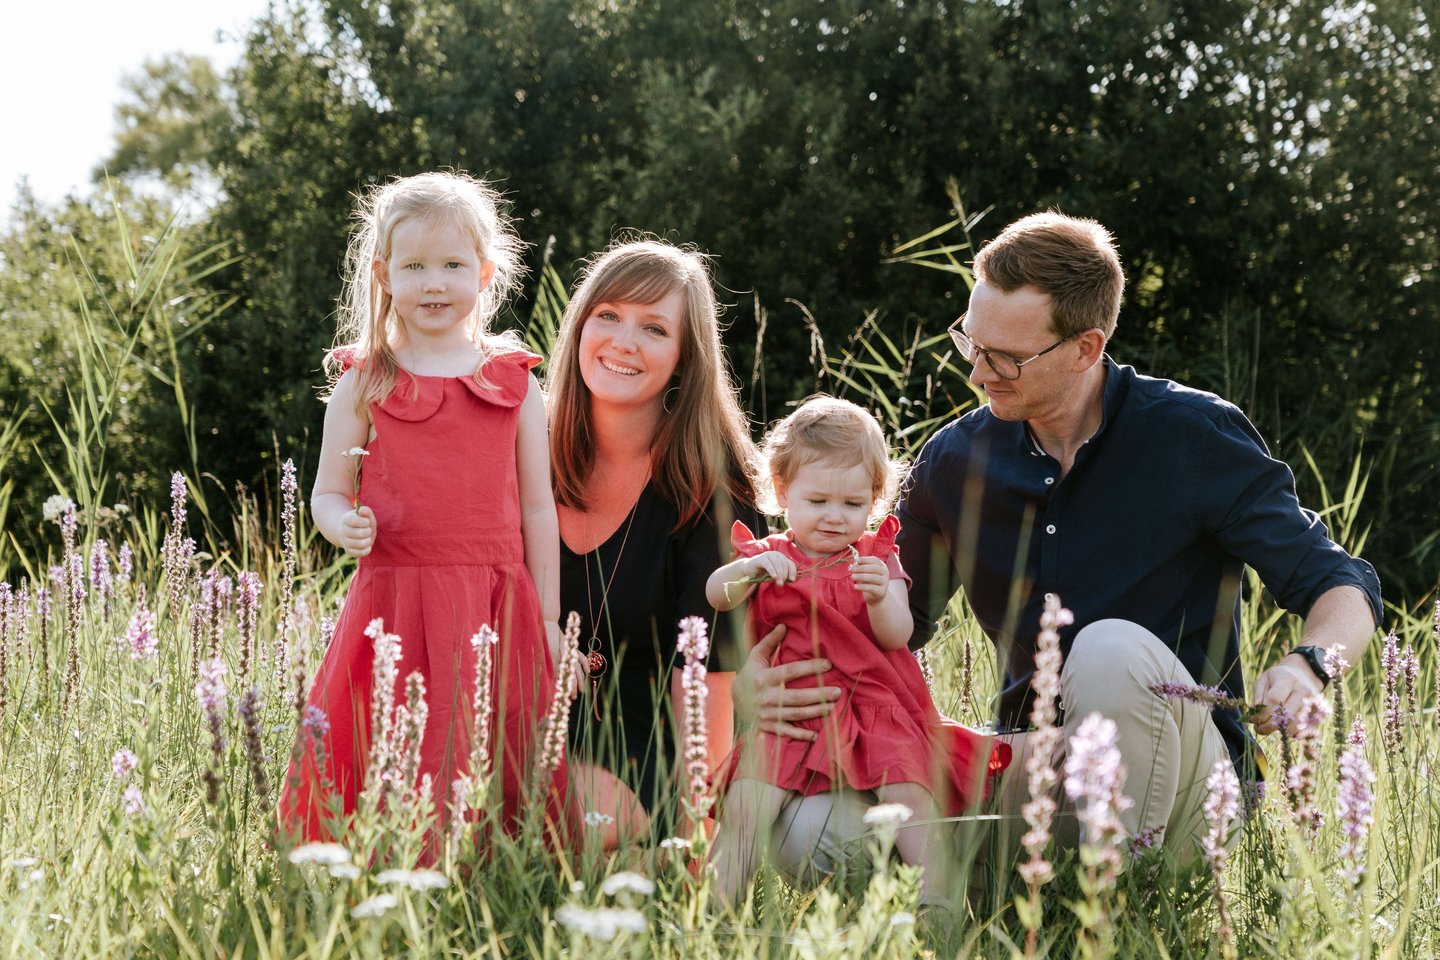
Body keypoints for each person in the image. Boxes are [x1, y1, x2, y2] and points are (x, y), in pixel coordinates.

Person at [739, 210, 1381, 875]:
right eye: (970, 342)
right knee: (810, 832)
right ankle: (1011, 902)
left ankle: (1124, 906)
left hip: (1187, 775)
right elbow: (878, 624)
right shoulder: (955, 461)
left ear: (1085, 347)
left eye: (1007, 357)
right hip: (1027, 766)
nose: (978, 371)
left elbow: (1341, 583)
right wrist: (762, 679)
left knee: (1107, 648)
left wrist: (1311, 664)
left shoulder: (1192, 437)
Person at [279, 171, 571, 845]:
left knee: (488, 745)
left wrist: (550, 619)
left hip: (498, 603)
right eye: (414, 266)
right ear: (383, 274)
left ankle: (488, 876)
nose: (434, 283)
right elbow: (325, 490)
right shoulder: (366, 380)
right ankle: (388, 866)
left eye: (451, 265)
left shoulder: (513, 383)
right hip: (395, 599)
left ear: (485, 272)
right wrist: (339, 523)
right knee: (395, 741)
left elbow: (538, 509)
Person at [706, 396, 1003, 909]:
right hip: (793, 713)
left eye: (852, 504)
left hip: (874, 709)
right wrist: (748, 571)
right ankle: (712, 912)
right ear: (782, 492)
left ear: (875, 499)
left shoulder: (875, 556)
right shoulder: (771, 555)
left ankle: (940, 906)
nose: (834, 517)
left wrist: (880, 596)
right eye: (817, 501)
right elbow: (715, 592)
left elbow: (898, 633)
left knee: (910, 799)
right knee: (746, 807)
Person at [546, 238, 764, 847]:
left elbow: (710, 681)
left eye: (654, 328)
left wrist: (697, 833)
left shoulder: (713, 492)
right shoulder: (521, 456)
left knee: (558, 813)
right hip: (529, 724)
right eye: (608, 316)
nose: (623, 342)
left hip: (653, 751)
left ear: (684, 358)